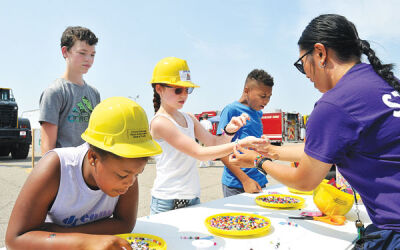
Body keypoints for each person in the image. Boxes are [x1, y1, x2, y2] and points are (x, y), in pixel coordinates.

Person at [229, 14, 400, 249]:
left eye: (302, 64)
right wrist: (271, 151)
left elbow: (305, 180)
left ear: (320, 53)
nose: (306, 74)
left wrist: (258, 161)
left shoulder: (335, 103)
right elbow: (321, 150)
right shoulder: (383, 84)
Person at [5, 97, 162, 249]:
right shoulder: (56, 168)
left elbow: (125, 223)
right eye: (122, 175)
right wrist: (84, 242)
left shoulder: (127, 172)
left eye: (137, 174)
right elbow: (15, 239)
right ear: (93, 157)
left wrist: (62, 234)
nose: (130, 182)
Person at [149, 57, 267, 214]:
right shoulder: (160, 122)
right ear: (159, 89)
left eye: (187, 90)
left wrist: (229, 131)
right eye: (178, 90)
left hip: (192, 197)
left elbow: (213, 142)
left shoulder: (189, 117)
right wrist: (241, 144)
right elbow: (200, 153)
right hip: (166, 200)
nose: (184, 95)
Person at [39, 26, 100, 155]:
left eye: (92, 54)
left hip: (88, 169)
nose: (88, 59)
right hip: (64, 169)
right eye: (82, 53)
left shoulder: (94, 94)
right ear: (65, 52)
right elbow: (47, 147)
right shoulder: (55, 92)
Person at [217, 69, 274, 197]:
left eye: (269, 97)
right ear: (247, 90)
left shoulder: (258, 113)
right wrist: (245, 180)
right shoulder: (231, 110)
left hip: (259, 180)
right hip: (236, 184)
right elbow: (221, 151)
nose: (266, 101)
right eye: (263, 96)